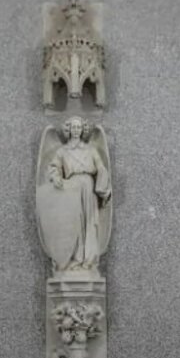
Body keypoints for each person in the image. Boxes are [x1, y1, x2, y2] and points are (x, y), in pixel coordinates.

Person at [46, 116, 112, 271]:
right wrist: (56, 178)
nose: (76, 130)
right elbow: (53, 167)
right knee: (73, 223)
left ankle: (88, 259)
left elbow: (101, 167)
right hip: (70, 187)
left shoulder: (90, 149)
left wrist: (102, 188)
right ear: (68, 130)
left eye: (79, 127)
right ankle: (74, 258)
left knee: (88, 222)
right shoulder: (63, 151)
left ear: (83, 130)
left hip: (88, 186)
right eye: (73, 128)